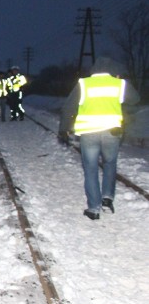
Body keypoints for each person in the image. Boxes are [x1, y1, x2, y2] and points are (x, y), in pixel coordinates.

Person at [58, 57, 139, 220]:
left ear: (93, 70)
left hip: (89, 133)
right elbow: (136, 100)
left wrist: (64, 130)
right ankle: (107, 198)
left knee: (91, 169)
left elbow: (68, 108)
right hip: (112, 132)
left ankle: (94, 208)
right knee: (110, 164)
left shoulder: (84, 84)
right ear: (111, 70)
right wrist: (123, 110)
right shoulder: (119, 84)